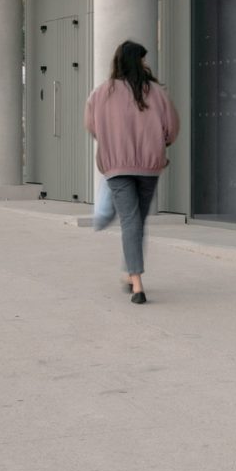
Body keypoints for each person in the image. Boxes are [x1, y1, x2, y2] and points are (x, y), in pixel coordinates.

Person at [84, 40, 179, 305]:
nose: (146, 64)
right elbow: (171, 127)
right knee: (137, 221)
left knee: (130, 221)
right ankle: (134, 279)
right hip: (149, 166)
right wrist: (160, 142)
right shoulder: (157, 93)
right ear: (136, 62)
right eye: (143, 59)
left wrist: (112, 139)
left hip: (116, 167)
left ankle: (134, 279)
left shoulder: (101, 93)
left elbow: (91, 126)